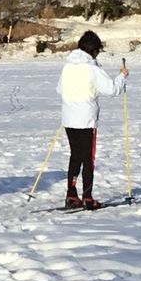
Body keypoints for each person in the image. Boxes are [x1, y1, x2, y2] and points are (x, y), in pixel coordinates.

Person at [56, 30, 128, 210]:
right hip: (86, 120)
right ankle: (87, 197)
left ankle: (71, 195)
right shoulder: (92, 69)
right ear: (93, 50)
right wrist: (122, 77)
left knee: (75, 156)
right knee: (88, 158)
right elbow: (112, 90)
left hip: (69, 118)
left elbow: (60, 89)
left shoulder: (68, 66)